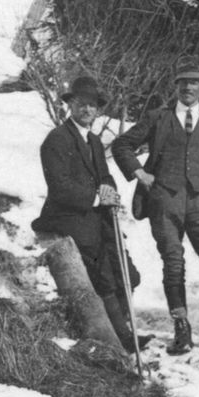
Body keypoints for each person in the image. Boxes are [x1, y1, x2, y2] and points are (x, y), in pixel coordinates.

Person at [111, 57, 199, 356]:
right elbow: (121, 144)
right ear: (176, 86)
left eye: (195, 82)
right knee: (174, 263)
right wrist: (139, 172)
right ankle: (181, 328)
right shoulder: (157, 118)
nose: (189, 87)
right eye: (184, 81)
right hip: (165, 201)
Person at [33, 76, 144, 353]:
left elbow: (105, 176)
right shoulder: (56, 140)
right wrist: (96, 198)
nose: (87, 110)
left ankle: (124, 327)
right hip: (67, 215)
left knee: (125, 268)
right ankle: (119, 338)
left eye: (92, 106)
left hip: (95, 213)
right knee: (101, 269)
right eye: (81, 104)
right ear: (70, 105)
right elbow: (59, 186)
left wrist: (108, 191)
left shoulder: (93, 141)